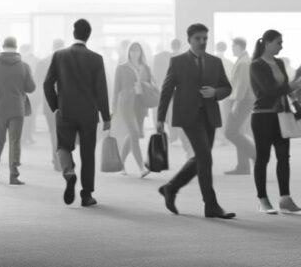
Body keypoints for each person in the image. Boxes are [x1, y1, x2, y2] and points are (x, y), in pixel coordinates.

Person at [156, 23, 234, 219]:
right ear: (189, 39)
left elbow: (227, 87)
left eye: (205, 39)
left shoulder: (215, 62)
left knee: (201, 157)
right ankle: (211, 205)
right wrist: (159, 118)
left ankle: (170, 187)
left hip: (209, 115)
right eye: (198, 38)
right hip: (188, 116)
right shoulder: (178, 62)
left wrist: (216, 92)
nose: (202, 42)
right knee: (205, 157)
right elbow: (166, 92)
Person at [43, 19, 111, 207]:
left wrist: (56, 106)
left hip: (66, 110)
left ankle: (69, 172)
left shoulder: (59, 55)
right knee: (88, 153)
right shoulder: (96, 59)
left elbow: (47, 84)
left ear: (74, 33)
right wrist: (106, 116)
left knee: (63, 146)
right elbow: (101, 90)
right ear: (88, 36)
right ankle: (86, 195)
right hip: (89, 114)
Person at [248, 30, 301, 214]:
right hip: (262, 116)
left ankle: (285, 199)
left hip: (281, 116)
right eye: (278, 42)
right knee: (263, 158)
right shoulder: (256, 65)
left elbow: (284, 90)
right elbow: (268, 90)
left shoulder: (279, 62)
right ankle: (262, 199)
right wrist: (291, 86)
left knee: (284, 157)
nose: (281, 46)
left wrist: (294, 95)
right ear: (267, 43)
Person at [0, 37, 35, 185]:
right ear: (16, 47)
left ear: (3, 47)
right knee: (15, 141)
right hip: (17, 108)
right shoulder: (24, 66)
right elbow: (31, 88)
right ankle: (14, 175)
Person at [112, 42, 154, 178]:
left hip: (141, 104)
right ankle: (142, 167)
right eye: (132, 50)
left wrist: (143, 85)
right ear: (128, 52)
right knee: (134, 133)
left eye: (137, 51)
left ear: (141, 53)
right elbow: (116, 89)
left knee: (134, 135)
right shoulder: (121, 68)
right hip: (126, 104)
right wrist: (113, 108)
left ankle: (121, 164)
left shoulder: (145, 68)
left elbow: (152, 84)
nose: (134, 53)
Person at [224, 37, 255, 175]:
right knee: (238, 132)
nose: (232, 49)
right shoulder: (243, 60)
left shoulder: (244, 62)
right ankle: (243, 167)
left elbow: (242, 85)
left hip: (242, 101)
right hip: (242, 100)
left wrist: (236, 103)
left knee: (230, 132)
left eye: (233, 46)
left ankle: (256, 155)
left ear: (240, 47)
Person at [36, 39, 64, 171]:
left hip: (48, 102)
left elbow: (37, 82)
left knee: (53, 131)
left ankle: (56, 159)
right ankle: (61, 159)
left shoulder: (42, 62)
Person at [18, 44, 39, 146]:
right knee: (30, 116)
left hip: (23, 92)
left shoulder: (18, 61)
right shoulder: (36, 60)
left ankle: (25, 136)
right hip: (31, 92)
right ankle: (26, 136)